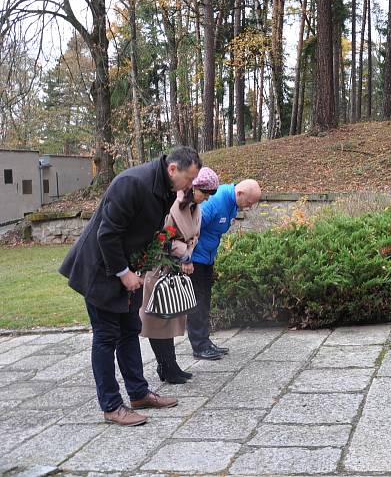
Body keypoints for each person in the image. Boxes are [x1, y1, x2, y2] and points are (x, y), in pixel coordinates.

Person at [59, 146, 201, 426]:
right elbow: (107, 234)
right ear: (173, 169)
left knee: (129, 330)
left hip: (127, 267)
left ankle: (138, 393)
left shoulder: (166, 189)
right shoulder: (132, 183)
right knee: (106, 336)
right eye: (189, 178)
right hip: (100, 269)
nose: (191, 185)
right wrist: (124, 274)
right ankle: (111, 406)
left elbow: (148, 230)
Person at [139, 167, 220, 384]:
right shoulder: (173, 203)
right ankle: (165, 366)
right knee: (158, 319)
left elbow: (192, 236)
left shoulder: (195, 206)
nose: (207, 197)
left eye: (211, 193)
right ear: (194, 187)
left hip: (174, 269)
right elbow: (162, 237)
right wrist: (185, 255)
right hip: (159, 268)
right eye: (205, 192)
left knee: (170, 319)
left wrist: (187, 255)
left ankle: (170, 364)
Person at [188, 179, 262, 360]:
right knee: (197, 301)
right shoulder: (215, 201)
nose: (249, 207)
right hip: (195, 259)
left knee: (205, 300)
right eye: (249, 203)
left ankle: (205, 341)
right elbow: (191, 229)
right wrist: (185, 257)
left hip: (207, 258)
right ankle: (199, 346)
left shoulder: (232, 203)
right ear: (240, 194)